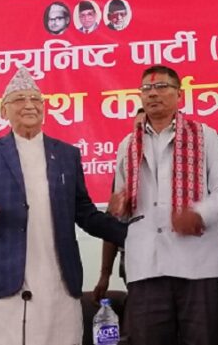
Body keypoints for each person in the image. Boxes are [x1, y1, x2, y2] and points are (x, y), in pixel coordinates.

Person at [0, 67, 127, 345]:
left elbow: (84, 212)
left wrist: (128, 233)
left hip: (60, 281)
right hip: (7, 283)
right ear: (4, 111)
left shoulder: (66, 154)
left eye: (35, 99)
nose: (30, 105)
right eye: (20, 99)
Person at [111, 65, 218, 345]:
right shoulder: (128, 144)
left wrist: (199, 214)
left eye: (161, 87)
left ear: (179, 95)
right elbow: (121, 203)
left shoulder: (204, 135)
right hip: (145, 265)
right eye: (146, 88)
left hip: (197, 263)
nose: (152, 93)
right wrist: (118, 205)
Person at [93, 108, 145, 303]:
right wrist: (104, 275)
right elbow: (112, 223)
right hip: (134, 263)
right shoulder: (126, 171)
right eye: (138, 128)